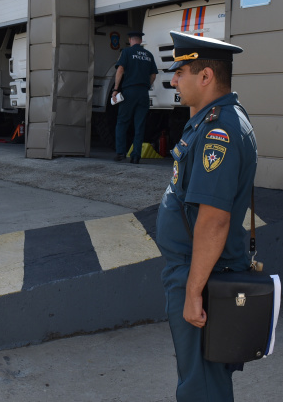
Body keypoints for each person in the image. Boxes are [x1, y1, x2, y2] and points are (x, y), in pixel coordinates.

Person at [154, 31, 257, 401]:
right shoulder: (208, 120)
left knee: (201, 384)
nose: (173, 79)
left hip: (202, 272)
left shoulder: (220, 130)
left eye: (180, 71)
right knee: (200, 375)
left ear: (205, 77)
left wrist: (194, 291)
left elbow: (214, 219)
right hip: (196, 266)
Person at [112, 31, 158, 163]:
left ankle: (120, 152)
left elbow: (120, 69)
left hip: (129, 91)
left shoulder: (126, 52)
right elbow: (153, 75)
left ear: (130, 40)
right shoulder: (149, 55)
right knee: (140, 124)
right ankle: (136, 155)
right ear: (141, 41)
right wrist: (146, 86)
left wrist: (115, 89)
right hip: (143, 92)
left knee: (122, 121)